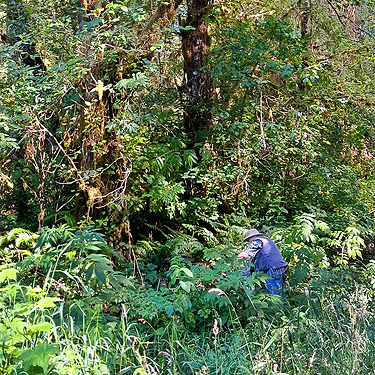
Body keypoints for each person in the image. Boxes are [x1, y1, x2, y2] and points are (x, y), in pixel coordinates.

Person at [238, 228, 288, 296]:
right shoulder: (267, 241)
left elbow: (247, 253)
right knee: (279, 293)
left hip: (272, 269)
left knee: (273, 296)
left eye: (248, 240)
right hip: (282, 268)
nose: (248, 243)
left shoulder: (257, 241)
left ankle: (274, 306)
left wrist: (241, 256)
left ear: (252, 238)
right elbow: (253, 264)